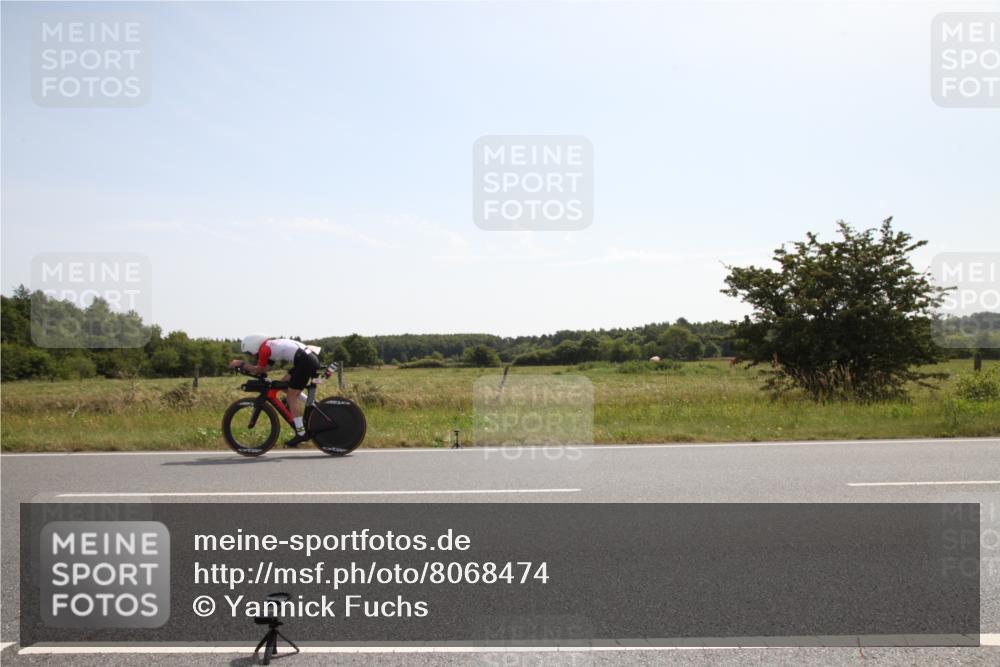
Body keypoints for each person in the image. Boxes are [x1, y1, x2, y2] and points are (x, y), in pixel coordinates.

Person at [230, 334, 321, 447]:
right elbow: (265, 369)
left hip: (305, 361)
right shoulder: (270, 346)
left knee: (291, 396)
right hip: (306, 359)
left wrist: (242, 364)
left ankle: (301, 433)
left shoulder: (265, 349)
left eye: (249, 352)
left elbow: (259, 370)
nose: (252, 355)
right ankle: (313, 404)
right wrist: (246, 368)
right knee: (283, 384)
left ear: (253, 346)